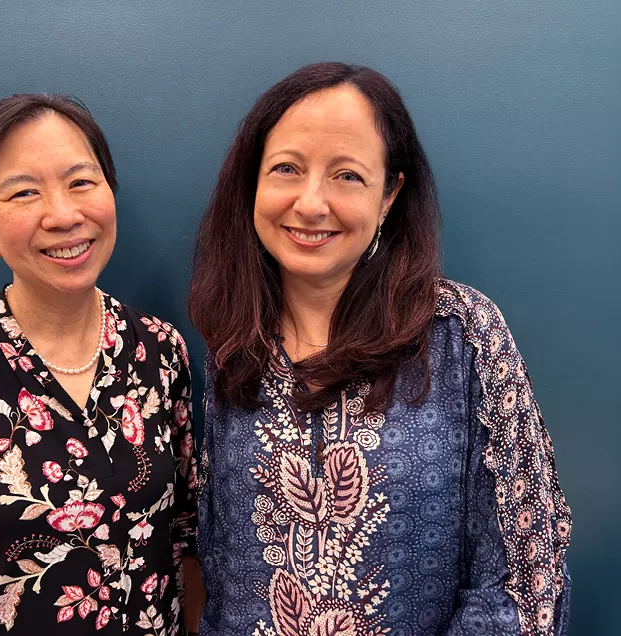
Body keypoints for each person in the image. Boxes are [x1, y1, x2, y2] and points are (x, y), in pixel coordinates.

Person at [188, 63, 572, 635]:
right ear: (253, 183)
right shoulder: (234, 346)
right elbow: (216, 571)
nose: (311, 203)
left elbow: (526, 568)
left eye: (347, 176)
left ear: (390, 193)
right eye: (287, 169)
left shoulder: (460, 334)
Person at [0, 94, 202, 635]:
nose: (64, 215)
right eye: (24, 192)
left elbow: (185, 540)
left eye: (81, 182)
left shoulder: (160, 350)